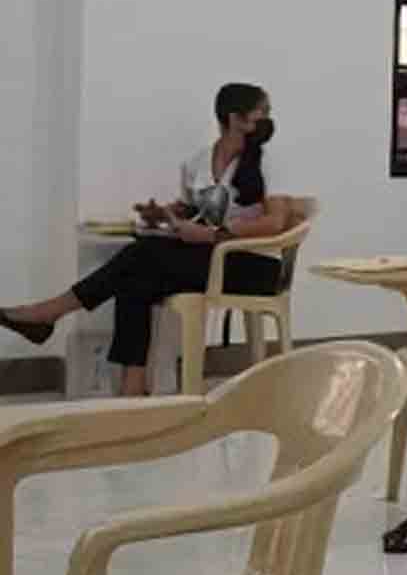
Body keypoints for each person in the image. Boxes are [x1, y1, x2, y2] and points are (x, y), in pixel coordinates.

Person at [1, 83, 296, 396]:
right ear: (236, 118)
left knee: (141, 256)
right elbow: (195, 209)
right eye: (262, 112)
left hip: (254, 266)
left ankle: (49, 313)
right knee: (137, 276)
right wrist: (163, 214)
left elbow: (276, 222)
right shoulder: (198, 163)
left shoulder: (267, 161)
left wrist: (213, 235)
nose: (268, 119)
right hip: (210, 260)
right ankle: (132, 386)